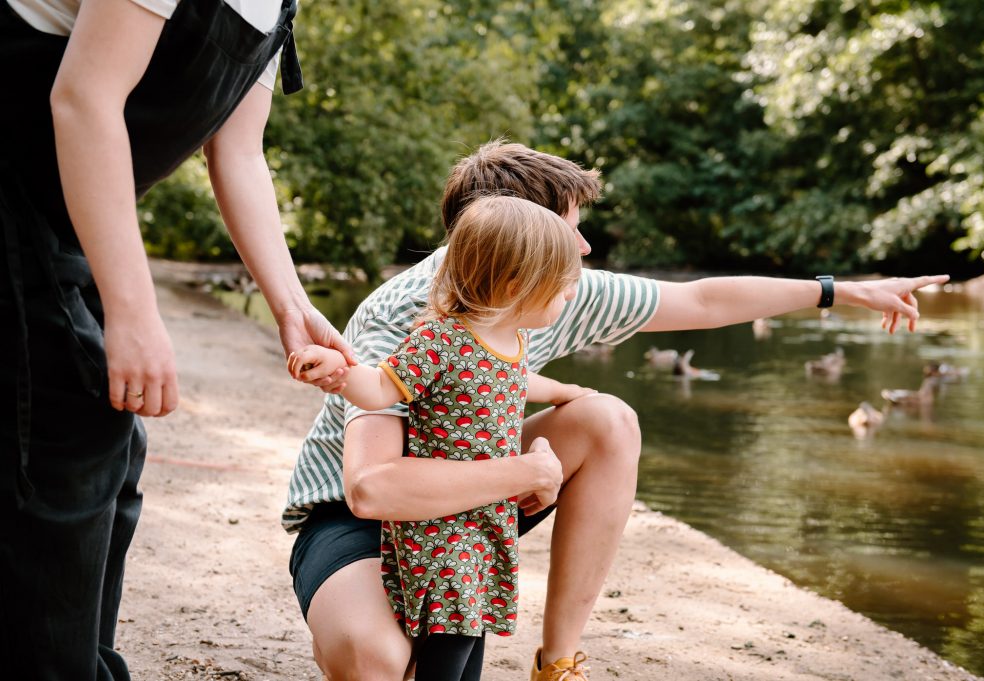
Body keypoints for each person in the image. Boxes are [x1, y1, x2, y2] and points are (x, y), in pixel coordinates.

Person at [284, 140, 949, 681]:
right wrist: (526, 471)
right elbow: (374, 488)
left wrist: (848, 291)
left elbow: (704, 302)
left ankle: (558, 662)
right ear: (517, 243)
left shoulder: (563, 292)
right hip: (353, 520)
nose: (586, 250)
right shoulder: (410, 318)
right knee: (376, 658)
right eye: (572, 230)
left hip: (467, 508)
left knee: (609, 418)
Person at [0, 1, 350, 679]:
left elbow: (240, 152)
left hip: (57, 205)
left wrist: (291, 303)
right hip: (13, 182)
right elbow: (84, 99)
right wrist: (133, 310)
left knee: (113, 439)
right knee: (62, 433)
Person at [289, 195, 596, 681]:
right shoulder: (441, 339)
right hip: (441, 525)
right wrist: (339, 370)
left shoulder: (511, 340)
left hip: (482, 518)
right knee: (449, 643)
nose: (570, 297)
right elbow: (380, 388)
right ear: (517, 286)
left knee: (471, 633)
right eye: (562, 288)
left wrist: (567, 391)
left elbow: (516, 381)